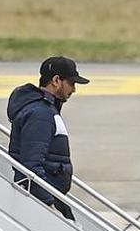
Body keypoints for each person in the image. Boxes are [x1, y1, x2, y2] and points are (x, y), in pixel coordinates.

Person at [6, 57, 87, 219]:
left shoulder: (46, 110)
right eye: (71, 83)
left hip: (50, 196)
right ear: (56, 80)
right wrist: (50, 205)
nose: (74, 90)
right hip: (43, 203)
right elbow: (31, 166)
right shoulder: (40, 114)